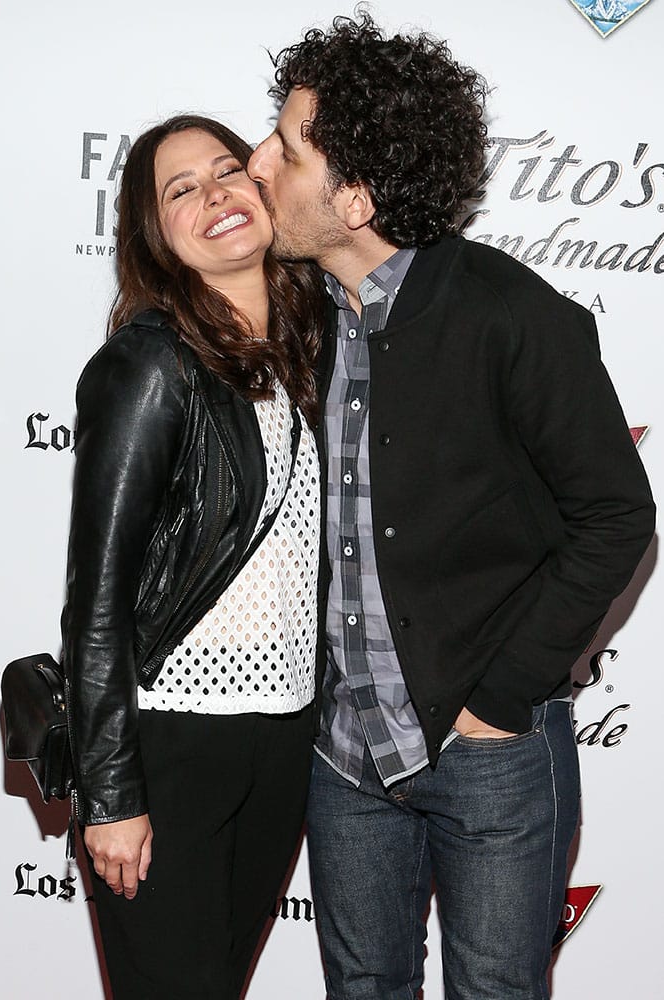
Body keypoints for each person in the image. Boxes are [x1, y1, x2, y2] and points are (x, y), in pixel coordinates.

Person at [248, 14, 656, 1000]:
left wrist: (499, 697)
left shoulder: (513, 317)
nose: (256, 161)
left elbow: (615, 515)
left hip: (488, 756)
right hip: (344, 758)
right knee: (362, 986)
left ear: (352, 199)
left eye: (286, 145)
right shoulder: (303, 314)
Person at [61, 114, 325, 1000]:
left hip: (286, 736)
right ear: (157, 237)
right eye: (181, 190)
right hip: (171, 740)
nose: (214, 195)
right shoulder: (146, 365)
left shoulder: (312, 350)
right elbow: (95, 598)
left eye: (226, 171)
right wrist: (111, 794)